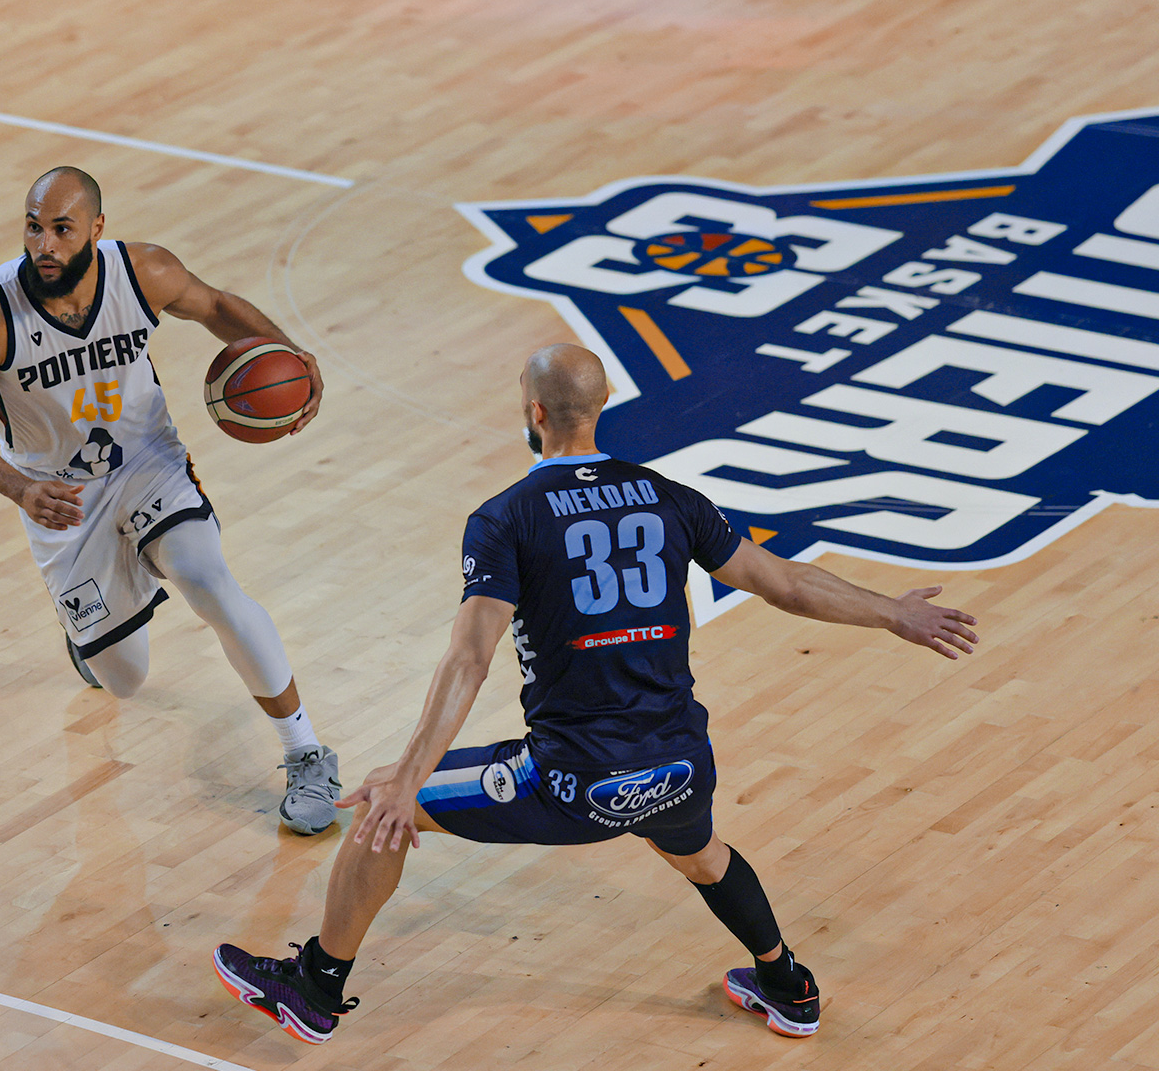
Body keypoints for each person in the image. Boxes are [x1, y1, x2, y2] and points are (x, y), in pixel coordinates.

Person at [213, 343, 980, 1042]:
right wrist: (894, 614)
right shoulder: (670, 497)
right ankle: (786, 983)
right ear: (603, 403)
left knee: (385, 806)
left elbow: (469, 659)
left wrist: (406, 777)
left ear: (534, 412)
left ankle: (315, 988)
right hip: (679, 766)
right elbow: (784, 583)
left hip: (573, 779)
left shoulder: (507, 517)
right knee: (702, 854)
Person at [0, 167, 343, 835]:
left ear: (96, 229)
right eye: (34, 227)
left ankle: (306, 752)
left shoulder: (142, 271)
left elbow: (213, 307)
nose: (45, 245)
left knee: (208, 582)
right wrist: (21, 488)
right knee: (124, 678)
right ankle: (87, 635)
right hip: (60, 495)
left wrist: (287, 352)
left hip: (148, 461)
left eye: (62, 228)